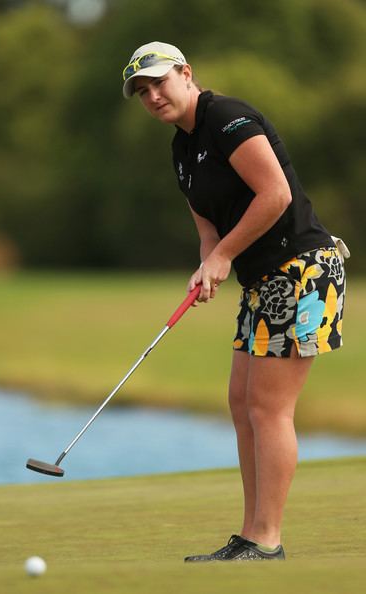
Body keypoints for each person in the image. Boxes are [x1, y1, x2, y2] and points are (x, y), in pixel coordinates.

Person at [122, 41, 348, 562]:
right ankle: (249, 535)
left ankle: (266, 539)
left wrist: (224, 255)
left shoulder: (226, 117)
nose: (153, 96)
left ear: (186, 74)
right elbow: (208, 225)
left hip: (302, 270)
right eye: (143, 91)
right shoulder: (181, 147)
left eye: (160, 82)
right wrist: (209, 265)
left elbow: (276, 195)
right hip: (262, 278)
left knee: (269, 409)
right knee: (242, 405)